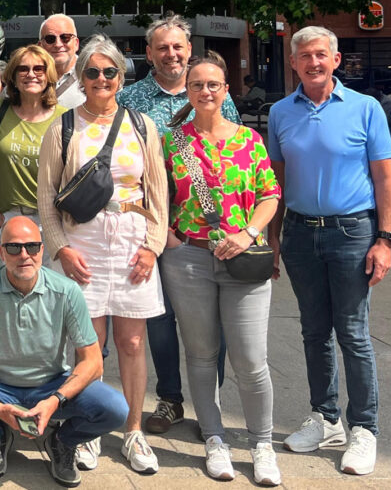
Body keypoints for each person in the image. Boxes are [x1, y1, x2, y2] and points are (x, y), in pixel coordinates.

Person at [267, 26, 391, 476]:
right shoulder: (280, 113)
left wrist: (384, 239)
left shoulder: (365, 108)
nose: (313, 62)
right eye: (304, 56)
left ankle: (364, 427)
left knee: (354, 333)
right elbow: (276, 186)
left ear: (335, 60)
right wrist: (273, 238)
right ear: (294, 62)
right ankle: (326, 418)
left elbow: (384, 180)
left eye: (321, 55)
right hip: (301, 233)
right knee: (312, 331)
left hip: (353, 232)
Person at [38, 36, 168, 475]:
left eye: (108, 72)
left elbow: (158, 192)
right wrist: (60, 248)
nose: (100, 80)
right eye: (91, 72)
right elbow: (45, 198)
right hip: (83, 241)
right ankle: (88, 429)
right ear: (81, 77)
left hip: (132, 238)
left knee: (132, 343)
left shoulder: (142, 125)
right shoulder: (63, 127)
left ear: (120, 75)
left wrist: (153, 246)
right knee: (88, 346)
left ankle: (133, 429)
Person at [0, 217, 129, 486]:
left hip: (51, 385)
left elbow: (93, 361)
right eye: (13, 248)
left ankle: (61, 441)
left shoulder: (67, 291)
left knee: (115, 409)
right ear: (1, 253)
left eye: (32, 247)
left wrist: (55, 400)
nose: (24, 255)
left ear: (42, 250)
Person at [160, 52, 282, 484]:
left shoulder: (249, 140)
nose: (205, 91)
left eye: (213, 84)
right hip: (189, 258)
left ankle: (262, 443)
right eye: (197, 85)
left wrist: (249, 233)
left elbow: (270, 194)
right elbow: (155, 194)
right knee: (201, 354)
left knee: (251, 360)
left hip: (244, 260)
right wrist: (170, 239)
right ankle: (213, 438)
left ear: (226, 90)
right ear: (187, 92)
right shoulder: (173, 142)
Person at [117, 15, 240, 437]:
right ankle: (170, 399)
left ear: (189, 50)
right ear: (149, 52)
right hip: (155, 230)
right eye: (162, 47)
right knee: (159, 319)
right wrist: (156, 228)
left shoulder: (217, 95)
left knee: (212, 323)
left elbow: (235, 162)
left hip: (206, 232)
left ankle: (212, 403)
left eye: (178, 46)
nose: (172, 53)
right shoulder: (130, 99)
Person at [0, 45, 66, 259]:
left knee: (48, 287)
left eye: (38, 69)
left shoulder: (64, 118)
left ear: (48, 75)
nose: (31, 74)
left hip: (50, 219)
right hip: (6, 218)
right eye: (23, 69)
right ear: (13, 76)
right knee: (12, 285)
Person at [39, 14, 84, 109]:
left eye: (65, 37)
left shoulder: (94, 74)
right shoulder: (27, 76)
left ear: (76, 43)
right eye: (50, 39)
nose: (58, 44)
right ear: (40, 46)